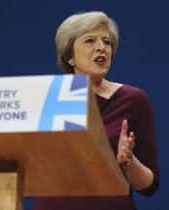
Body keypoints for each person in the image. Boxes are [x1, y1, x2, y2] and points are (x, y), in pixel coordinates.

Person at [33, 11, 159, 210]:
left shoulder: (133, 100)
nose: (101, 48)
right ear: (69, 56)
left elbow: (149, 186)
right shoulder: (48, 98)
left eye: (107, 42)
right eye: (90, 41)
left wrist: (129, 161)